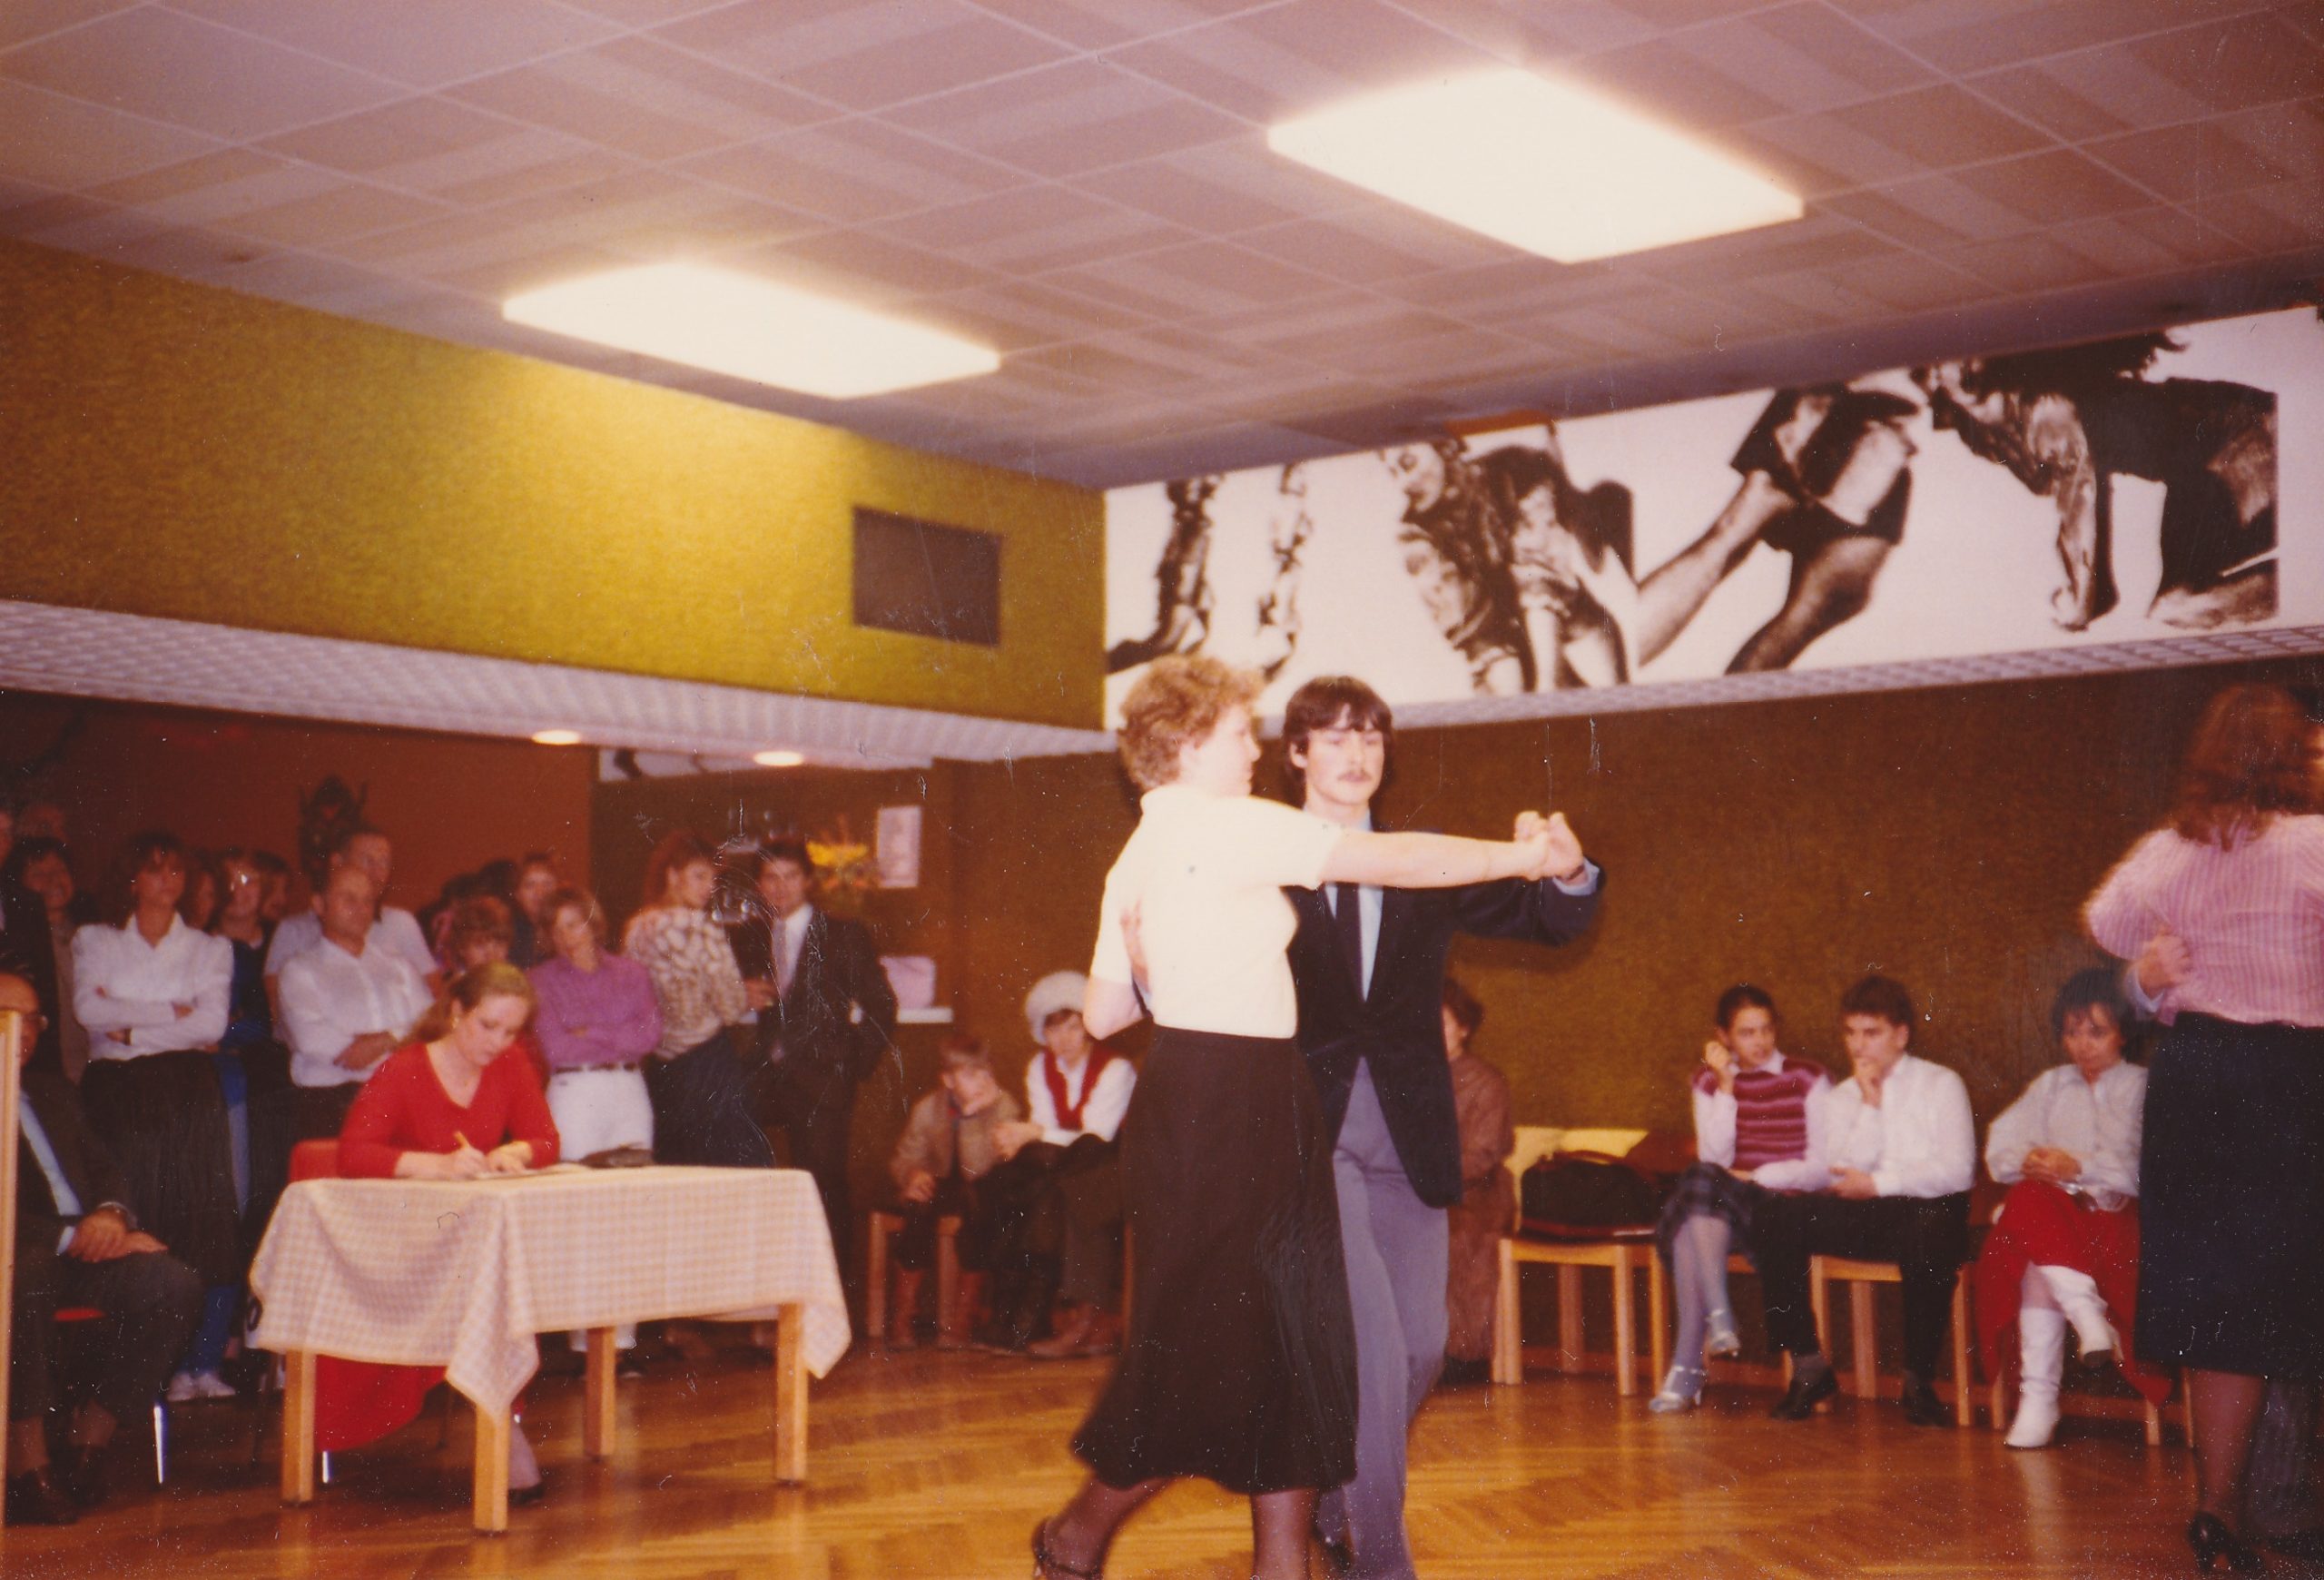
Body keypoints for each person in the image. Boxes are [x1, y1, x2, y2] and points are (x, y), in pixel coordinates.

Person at [1032, 653, 1568, 1580]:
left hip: (1210, 1095)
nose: (1252, 750)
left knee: (1291, 1337)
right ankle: (1081, 1532)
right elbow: (1400, 858)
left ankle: (1278, 1562)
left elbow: (1109, 1012)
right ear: (1189, 743)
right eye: (1239, 733)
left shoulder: (1138, 850)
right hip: (1237, 1100)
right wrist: (1528, 857)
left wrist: (1166, 969)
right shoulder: (1235, 821)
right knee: (1219, 1340)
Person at [1276, 673, 1599, 1580]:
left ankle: (1337, 1496)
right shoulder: (1270, 858)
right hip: (1310, 1132)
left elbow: (1547, 916)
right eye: (1335, 737)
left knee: (1424, 1343)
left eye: (1371, 737)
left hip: (1409, 1133)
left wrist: (1569, 870)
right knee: (1375, 1350)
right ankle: (1382, 1560)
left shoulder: (1422, 860)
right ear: (1296, 754)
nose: (1357, 754)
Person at [2083, 682, 2324, 1572]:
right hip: (2289, 1080)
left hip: (2195, 1083)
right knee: (2288, 1292)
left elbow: (2104, 921)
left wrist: (2149, 971)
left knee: (2221, 1309)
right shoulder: (2312, 843)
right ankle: (2278, 1507)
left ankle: (2217, 1512)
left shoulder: (2167, 850)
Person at [323, 963, 560, 1499]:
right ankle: (504, 1426)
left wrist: (516, 1151)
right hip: (399, 1245)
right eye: (487, 1026)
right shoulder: (404, 1068)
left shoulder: (510, 1063)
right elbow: (353, 1153)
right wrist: (431, 1165)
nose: (497, 1043)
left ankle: (502, 1420)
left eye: (510, 1031)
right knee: (497, 1279)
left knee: (500, 1273)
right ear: (456, 1012)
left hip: (462, 1239)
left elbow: (546, 1138)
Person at [2, 970, 202, 1526]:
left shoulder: (52, 1092)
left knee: (172, 1283)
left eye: (34, 1019)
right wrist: (72, 1236)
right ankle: (26, 1464)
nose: (26, 1031)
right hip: (22, 1250)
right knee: (27, 1275)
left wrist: (112, 1217)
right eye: (10, 1017)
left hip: (86, 1243)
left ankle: (88, 1445)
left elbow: (104, 1167)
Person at [1753, 974, 1974, 1427]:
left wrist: (1878, 1183)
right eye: (1851, 1033)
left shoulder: (1941, 1083)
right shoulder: (1842, 1096)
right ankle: (1809, 1365)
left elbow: (1957, 1171)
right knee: (1776, 1213)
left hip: (1929, 1207)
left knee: (1931, 1229)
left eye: (1871, 1033)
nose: (1858, 1045)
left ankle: (1918, 1379)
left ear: (1901, 1035)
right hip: (1868, 1210)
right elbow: (1841, 1168)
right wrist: (1870, 1104)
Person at [69, 831, 241, 1404]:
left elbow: (209, 1025)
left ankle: (192, 1366)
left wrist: (128, 1029)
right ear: (132, 877)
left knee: (194, 1223)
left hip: (185, 1091)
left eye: (176, 872)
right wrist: (172, 1010)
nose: (167, 882)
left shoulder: (210, 948)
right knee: (134, 1215)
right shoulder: (95, 938)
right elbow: (88, 1009)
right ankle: (133, 1380)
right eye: (154, 869)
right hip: (117, 1092)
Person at [1973, 968, 2168, 1448]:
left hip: (2117, 1221)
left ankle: (2040, 1400)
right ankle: (2084, 1317)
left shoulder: (2142, 1086)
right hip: (2053, 1219)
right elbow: (2000, 1148)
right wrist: (2031, 1160)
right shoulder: (2052, 1085)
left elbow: (2150, 1171)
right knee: (2030, 1198)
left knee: (2032, 1232)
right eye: (2072, 1032)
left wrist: (2078, 1166)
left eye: (2096, 1032)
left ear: (2123, 1033)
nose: (2083, 1045)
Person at [1649, 984, 1829, 1413]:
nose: (1760, 1041)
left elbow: (1824, 1164)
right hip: (1728, 1204)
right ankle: (1716, 1321)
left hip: (1784, 1204)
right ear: (1723, 1036)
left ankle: (1691, 1362)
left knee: (1694, 1198)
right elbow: (1715, 1158)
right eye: (1747, 1033)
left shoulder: (1808, 1077)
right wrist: (1727, 1086)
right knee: (1698, 1197)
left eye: (1766, 1029)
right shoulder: (1708, 1081)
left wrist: (1758, 1175)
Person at [729, 839, 897, 1271]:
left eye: (790, 876)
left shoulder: (842, 933)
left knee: (824, 1188)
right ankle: (766, 1288)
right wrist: (739, 994)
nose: (780, 886)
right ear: (759, 885)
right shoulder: (748, 936)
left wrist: (852, 1066)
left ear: (807, 880)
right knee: (744, 1175)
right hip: (766, 1078)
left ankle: (833, 1296)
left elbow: (882, 1005)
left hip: (823, 1081)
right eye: (770, 878)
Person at [530, 884, 659, 1368]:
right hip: (574, 1093)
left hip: (627, 1091)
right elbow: (557, 1047)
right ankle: (583, 1345)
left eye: (574, 922)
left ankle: (621, 1344)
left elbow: (649, 1035)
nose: (567, 935)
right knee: (580, 1213)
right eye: (556, 928)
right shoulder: (540, 980)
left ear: (593, 920)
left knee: (630, 1213)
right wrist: (614, 1037)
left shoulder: (631, 973)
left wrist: (593, 1033)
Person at [983, 977, 1136, 1358]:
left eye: (1073, 1027)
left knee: (1071, 1192)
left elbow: (1096, 1136)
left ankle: (1081, 1320)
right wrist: (1027, 1136)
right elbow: (1048, 1136)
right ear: (1042, 1033)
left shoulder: (1115, 1069)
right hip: (1066, 1166)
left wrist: (1031, 1132)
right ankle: (1020, 1310)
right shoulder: (1039, 1066)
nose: (1064, 1039)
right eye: (1054, 1030)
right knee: (1007, 1183)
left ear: (1088, 1028)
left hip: (1113, 1166)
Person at [624, 831, 771, 1171]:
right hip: (707, 1065)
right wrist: (744, 994)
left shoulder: (636, 928)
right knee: (732, 1171)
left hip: (662, 1068)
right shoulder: (701, 927)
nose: (708, 887)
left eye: (712, 878)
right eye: (699, 876)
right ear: (673, 875)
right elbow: (730, 1007)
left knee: (678, 1170)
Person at [884, 1034, 1022, 1350]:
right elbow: (904, 1157)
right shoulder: (928, 1109)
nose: (981, 1082)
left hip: (988, 1189)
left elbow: (976, 1170)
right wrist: (912, 1175)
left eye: (986, 1072)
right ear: (947, 1080)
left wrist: (973, 1116)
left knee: (976, 1207)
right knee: (919, 1204)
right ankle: (904, 1314)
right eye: (970, 1075)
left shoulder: (1004, 1106)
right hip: (945, 1183)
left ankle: (964, 1317)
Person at [276, 865, 432, 1141]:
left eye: (367, 901)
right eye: (348, 899)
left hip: (401, 1095)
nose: (360, 909)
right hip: (331, 1101)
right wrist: (398, 1040)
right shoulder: (300, 970)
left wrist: (386, 1039)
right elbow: (312, 1039)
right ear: (319, 905)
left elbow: (430, 1023)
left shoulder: (399, 966)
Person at [264, 824, 438, 1018]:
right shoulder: (294, 930)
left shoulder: (401, 923)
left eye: (384, 863)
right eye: (367, 860)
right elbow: (278, 1009)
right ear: (337, 862)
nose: (377, 873)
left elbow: (432, 1000)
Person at [1439, 980, 1511, 1389]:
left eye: (1441, 1022)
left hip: (1475, 1195)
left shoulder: (1486, 1082)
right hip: (1424, 1191)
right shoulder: (1412, 1080)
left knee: (1457, 1234)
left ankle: (1463, 1355)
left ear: (1464, 1028)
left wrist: (1429, 1182)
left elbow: (1483, 1155)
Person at [5, 837, 89, 1082]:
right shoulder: (17, 943)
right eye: (38, 873)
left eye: (60, 870)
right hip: (49, 1068)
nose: (53, 880)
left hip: (92, 1062)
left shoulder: (90, 932)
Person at [445, 895, 548, 1087]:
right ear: (462, 949)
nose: (491, 954)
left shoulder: (517, 990)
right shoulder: (453, 995)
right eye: (480, 945)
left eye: (499, 945)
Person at [0, 805, 65, 1078]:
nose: (2, 840)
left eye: (6, 833)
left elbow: (46, 996)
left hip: (28, 1064)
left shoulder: (27, 904)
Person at [510, 853, 560, 969]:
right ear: (517, 894)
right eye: (530, 885)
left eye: (547, 884)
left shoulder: (571, 930)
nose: (540, 892)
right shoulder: (510, 934)